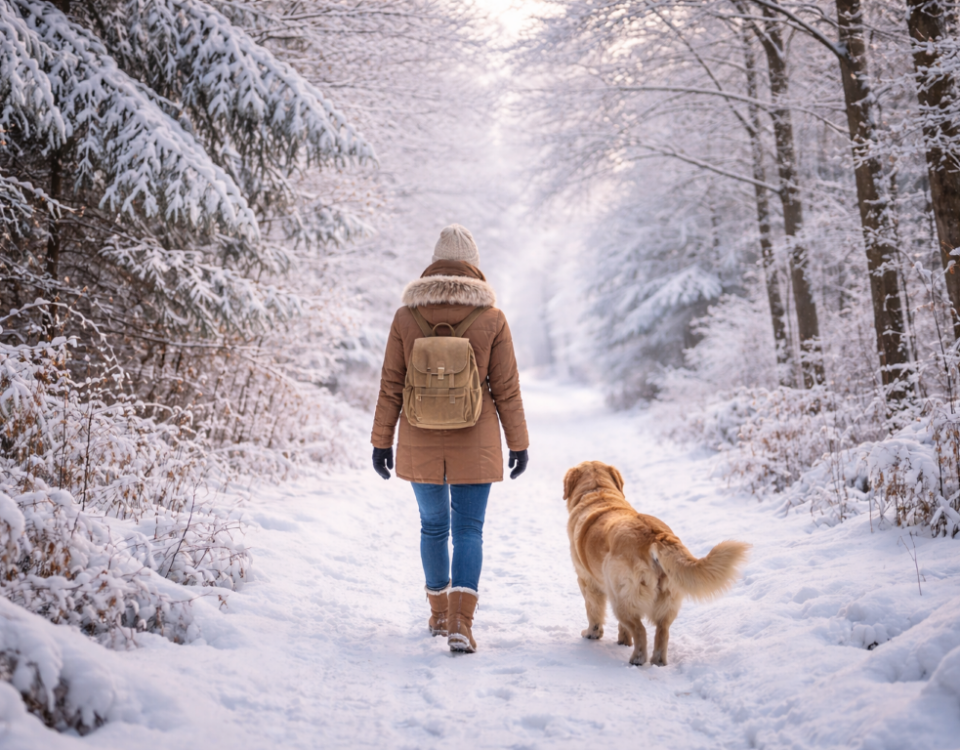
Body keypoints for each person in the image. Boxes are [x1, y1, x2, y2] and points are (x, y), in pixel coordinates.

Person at [370, 224, 529, 654]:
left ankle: (439, 614)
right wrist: (518, 443)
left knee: (433, 526)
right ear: (474, 267)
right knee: (469, 529)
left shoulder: (407, 316)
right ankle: (462, 622)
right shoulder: (492, 318)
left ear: (433, 264)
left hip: (420, 433)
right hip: (475, 435)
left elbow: (390, 384)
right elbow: (507, 387)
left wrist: (381, 440)